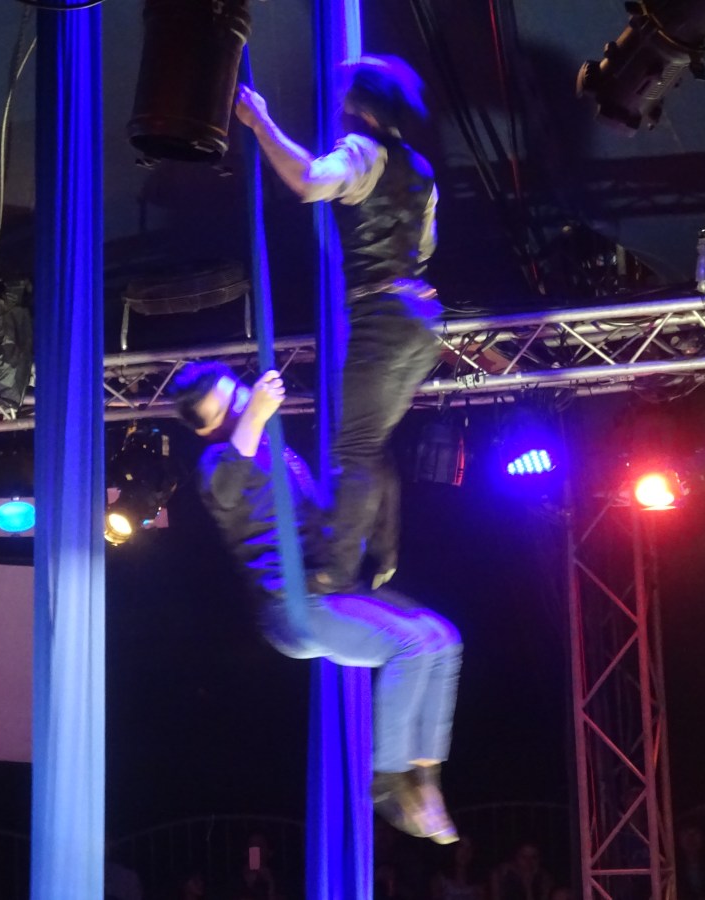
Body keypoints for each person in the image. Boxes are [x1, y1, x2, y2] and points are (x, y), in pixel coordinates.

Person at [168, 362, 462, 844]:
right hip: (292, 610)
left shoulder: (276, 450)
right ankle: (387, 777)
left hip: (327, 591)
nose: (241, 405)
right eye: (226, 409)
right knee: (410, 645)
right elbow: (226, 485)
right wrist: (255, 414)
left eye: (237, 394)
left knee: (442, 640)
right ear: (205, 429)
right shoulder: (215, 463)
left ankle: (426, 779)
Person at [234, 55, 441, 594]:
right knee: (371, 441)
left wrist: (261, 122)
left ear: (362, 108)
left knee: (355, 449)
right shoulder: (421, 171)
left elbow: (309, 180)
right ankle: (385, 552)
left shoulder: (363, 152)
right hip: (420, 316)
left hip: (383, 317)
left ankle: (336, 571)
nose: (338, 108)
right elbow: (424, 248)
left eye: (344, 99)